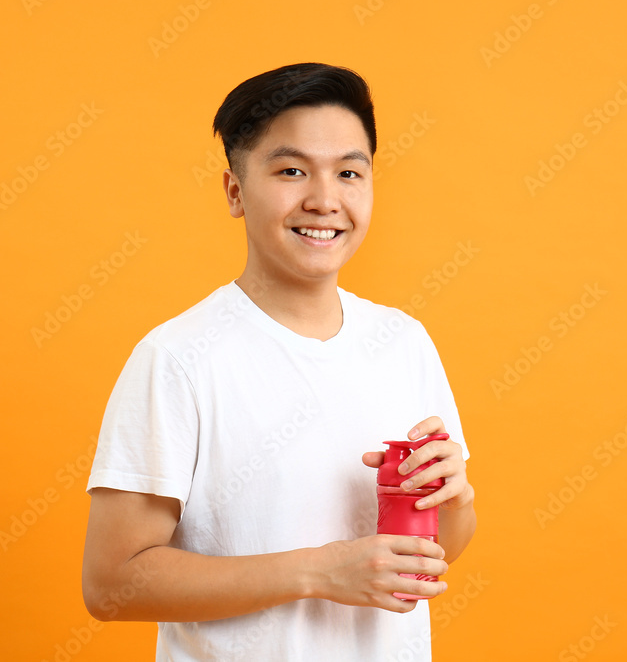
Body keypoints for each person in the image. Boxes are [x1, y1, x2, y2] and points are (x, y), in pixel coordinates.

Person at [81, 62, 476, 661]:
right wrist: (319, 572)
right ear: (236, 191)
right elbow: (111, 585)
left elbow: (435, 549)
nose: (324, 200)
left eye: (349, 172)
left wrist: (457, 500)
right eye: (292, 171)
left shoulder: (404, 342)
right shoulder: (178, 360)